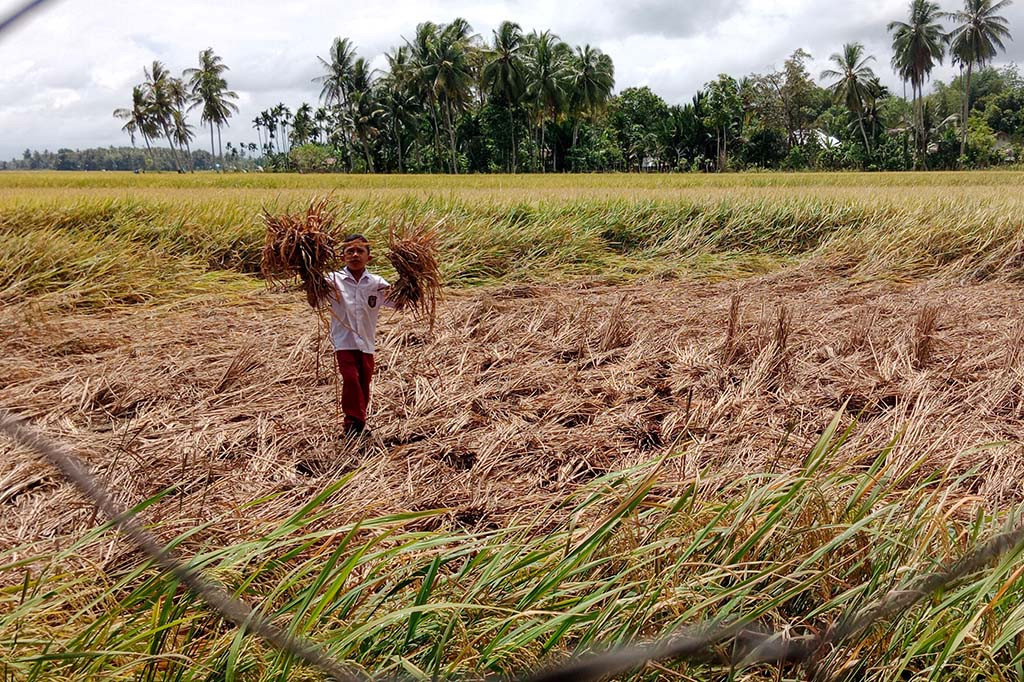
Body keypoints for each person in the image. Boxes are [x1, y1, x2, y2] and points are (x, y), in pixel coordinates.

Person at [323, 234, 396, 436]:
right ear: (342, 257)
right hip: (343, 341)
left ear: (368, 257)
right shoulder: (332, 281)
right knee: (351, 379)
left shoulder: (376, 283)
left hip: (367, 342)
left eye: (360, 251)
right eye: (350, 251)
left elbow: (398, 302)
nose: (355, 255)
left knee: (364, 382)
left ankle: (359, 423)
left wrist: (411, 285)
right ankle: (352, 423)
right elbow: (315, 298)